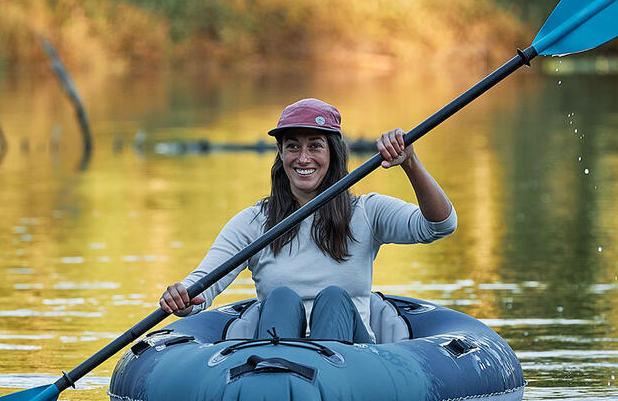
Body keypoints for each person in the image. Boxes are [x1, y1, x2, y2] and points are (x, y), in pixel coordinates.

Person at [159, 98, 456, 342]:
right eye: (293, 146)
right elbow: (202, 286)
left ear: (333, 153)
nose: (303, 158)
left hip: (352, 364)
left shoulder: (367, 212)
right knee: (281, 300)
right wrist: (182, 298)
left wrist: (411, 164)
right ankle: (277, 383)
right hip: (278, 356)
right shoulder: (252, 223)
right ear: (281, 153)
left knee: (334, 299)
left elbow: (440, 225)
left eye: (315, 146)